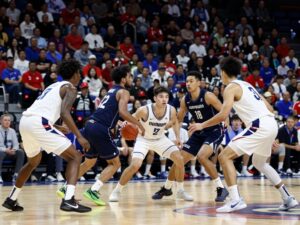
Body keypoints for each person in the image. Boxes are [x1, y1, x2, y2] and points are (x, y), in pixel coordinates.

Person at [189, 56, 298, 212]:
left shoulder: (230, 88)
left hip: (260, 125)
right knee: (260, 163)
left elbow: (223, 114)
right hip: (270, 124)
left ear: (224, 72)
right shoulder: (248, 85)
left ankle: (235, 200)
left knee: (224, 156)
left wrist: (201, 125)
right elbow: (270, 109)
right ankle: (288, 198)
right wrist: (269, 134)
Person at [2, 59, 91, 213]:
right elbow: (64, 112)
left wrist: (55, 126)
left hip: (26, 122)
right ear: (76, 74)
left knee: (33, 162)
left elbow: (40, 111)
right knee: (75, 157)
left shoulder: (53, 85)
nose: (80, 77)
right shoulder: (70, 88)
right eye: (79, 74)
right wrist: (80, 136)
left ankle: (11, 199)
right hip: (38, 123)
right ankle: (69, 199)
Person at [56, 65, 145, 206]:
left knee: (90, 161)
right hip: (100, 128)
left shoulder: (111, 90)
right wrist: (138, 124)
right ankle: (94, 190)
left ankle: (67, 187)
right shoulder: (124, 91)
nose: (131, 79)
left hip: (90, 124)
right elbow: (122, 111)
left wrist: (116, 123)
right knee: (115, 163)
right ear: (123, 79)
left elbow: (111, 112)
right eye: (129, 76)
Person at [152, 71, 228, 202]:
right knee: (179, 159)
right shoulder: (185, 100)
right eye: (187, 81)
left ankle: (221, 188)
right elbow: (178, 120)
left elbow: (224, 113)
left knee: (202, 156)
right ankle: (167, 187)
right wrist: (177, 137)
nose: (188, 84)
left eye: (191, 81)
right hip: (199, 132)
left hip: (214, 130)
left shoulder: (208, 96)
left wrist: (220, 126)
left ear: (199, 83)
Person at [109, 86, 190, 202]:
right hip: (144, 140)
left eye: (166, 97)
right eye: (161, 97)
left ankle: (180, 191)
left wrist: (177, 137)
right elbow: (130, 121)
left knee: (179, 159)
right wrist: (123, 125)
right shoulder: (144, 110)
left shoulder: (171, 109)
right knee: (135, 165)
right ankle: (117, 191)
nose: (164, 99)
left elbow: (175, 121)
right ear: (155, 98)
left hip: (160, 139)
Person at [0, 114, 25, 183]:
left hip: (11, 152)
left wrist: (14, 149)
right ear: (1, 121)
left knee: (20, 152)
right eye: (5, 120)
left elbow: (16, 144)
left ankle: (16, 174)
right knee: (0, 153)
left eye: (9, 120)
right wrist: (5, 150)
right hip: (2, 152)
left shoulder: (12, 131)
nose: (7, 122)